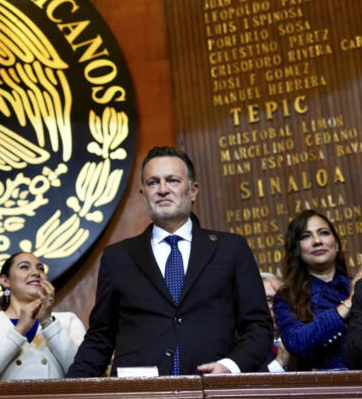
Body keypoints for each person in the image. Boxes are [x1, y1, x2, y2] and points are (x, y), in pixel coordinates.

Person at [66, 147, 272, 377]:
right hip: (139, 393)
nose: (163, 189)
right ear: (143, 194)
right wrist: (67, 391)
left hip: (211, 388)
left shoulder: (231, 249)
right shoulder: (118, 257)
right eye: (153, 182)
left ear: (193, 191)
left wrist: (231, 366)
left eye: (172, 180)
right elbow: (100, 338)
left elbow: (258, 326)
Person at [0, 253, 85, 380]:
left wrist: (47, 322)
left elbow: (84, 374)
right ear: (5, 281)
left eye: (40, 269)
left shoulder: (68, 320)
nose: (36, 272)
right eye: (24, 267)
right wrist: (20, 329)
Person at [272, 211, 360, 371]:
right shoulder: (287, 297)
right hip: (324, 382)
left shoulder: (354, 287)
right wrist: (349, 303)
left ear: (337, 244)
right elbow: (296, 342)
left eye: (324, 233)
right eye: (306, 236)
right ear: (296, 249)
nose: (317, 241)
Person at [260, 272, 291, 372]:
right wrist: (279, 363)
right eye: (268, 300)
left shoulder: (298, 338)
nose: (277, 306)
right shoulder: (241, 347)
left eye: (282, 300)